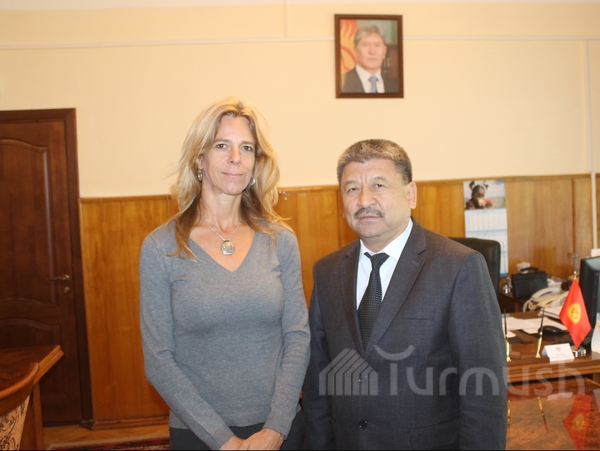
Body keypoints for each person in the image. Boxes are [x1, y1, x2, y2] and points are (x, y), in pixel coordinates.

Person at [302, 139, 507, 449]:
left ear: (410, 194)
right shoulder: (327, 271)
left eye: (379, 185)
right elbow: (318, 381)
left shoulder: (458, 267)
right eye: (352, 189)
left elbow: (483, 390)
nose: (364, 200)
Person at [139, 96, 310, 450]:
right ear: (199, 159)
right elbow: (158, 360)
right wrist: (224, 441)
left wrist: (276, 429)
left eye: (246, 148)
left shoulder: (280, 240)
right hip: (199, 433)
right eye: (222, 145)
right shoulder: (161, 247)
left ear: (256, 162)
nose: (236, 158)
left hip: (278, 430)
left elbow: (297, 338)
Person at [342, 24, 399, 94]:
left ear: (384, 51)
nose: (372, 51)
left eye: (377, 45)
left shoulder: (395, 85)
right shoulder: (342, 84)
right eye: (366, 45)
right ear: (355, 51)